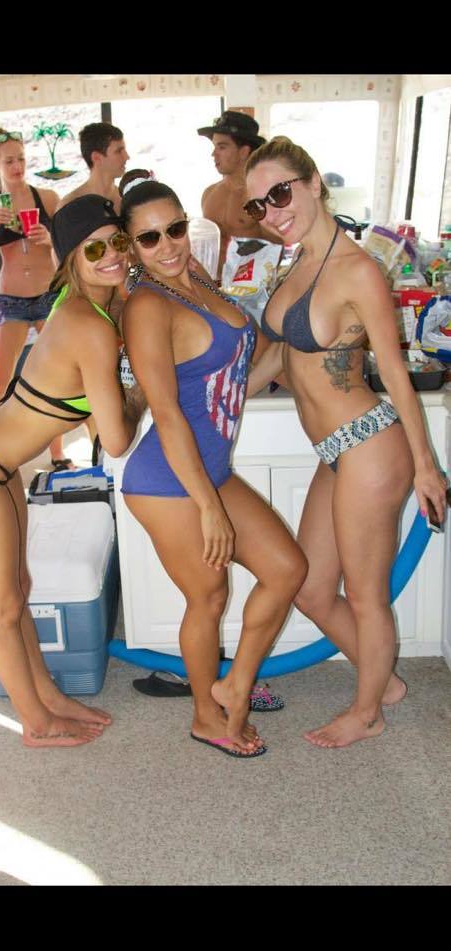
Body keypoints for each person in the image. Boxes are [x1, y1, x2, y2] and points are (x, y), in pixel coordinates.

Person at [244, 136, 448, 748]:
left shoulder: (358, 269)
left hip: (370, 445)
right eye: (258, 204)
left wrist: (426, 467)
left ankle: (367, 712)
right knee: (310, 589)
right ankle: (384, 682)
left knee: (364, 595)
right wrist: (220, 400)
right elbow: (283, 353)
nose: (271, 212)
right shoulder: (296, 261)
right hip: (334, 451)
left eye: (280, 193)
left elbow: (396, 374)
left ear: (312, 183)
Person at [0, 195, 144, 748]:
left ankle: (48, 696)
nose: (112, 255)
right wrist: (139, 388)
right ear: (72, 259)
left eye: (118, 241)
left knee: (19, 587)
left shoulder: (84, 303)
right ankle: (34, 722)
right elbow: (115, 440)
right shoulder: (89, 325)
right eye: (94, 249)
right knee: (2, 603)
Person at [119, 177, 308, 758]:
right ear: (132, 247)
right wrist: (208, 508)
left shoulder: (195, 278)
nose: (167, 245)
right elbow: (167, 413)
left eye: (174, 228)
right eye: (150, 238)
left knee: (286, 568)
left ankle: (234, 685)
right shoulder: (147, 306)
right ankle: (206, 715)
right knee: (208, 597)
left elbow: (235, 379)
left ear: (187, 222)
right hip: (168, 480)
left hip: (210, 470)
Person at [0, 127, 71, 470]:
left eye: (21, 159)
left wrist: (51, 240)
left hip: (47, 295)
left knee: (56, 374)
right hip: (12, 300)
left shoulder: (47, 198)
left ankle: (57, 454)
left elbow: (68, 257)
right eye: (9, 161)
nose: (17, 167)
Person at [198, 111, 270, 278]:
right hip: (213, 283)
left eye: (222, 147)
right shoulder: (208, 194)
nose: (214, 154)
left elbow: (275, 248)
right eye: (214, 147)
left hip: (252, 286)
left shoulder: (262, 197)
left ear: (244, 152)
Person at [59, 122, 130, 213]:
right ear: (96, 157)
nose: (127, 157)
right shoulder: (69, 207)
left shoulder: (128, 201)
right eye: (118, 151)